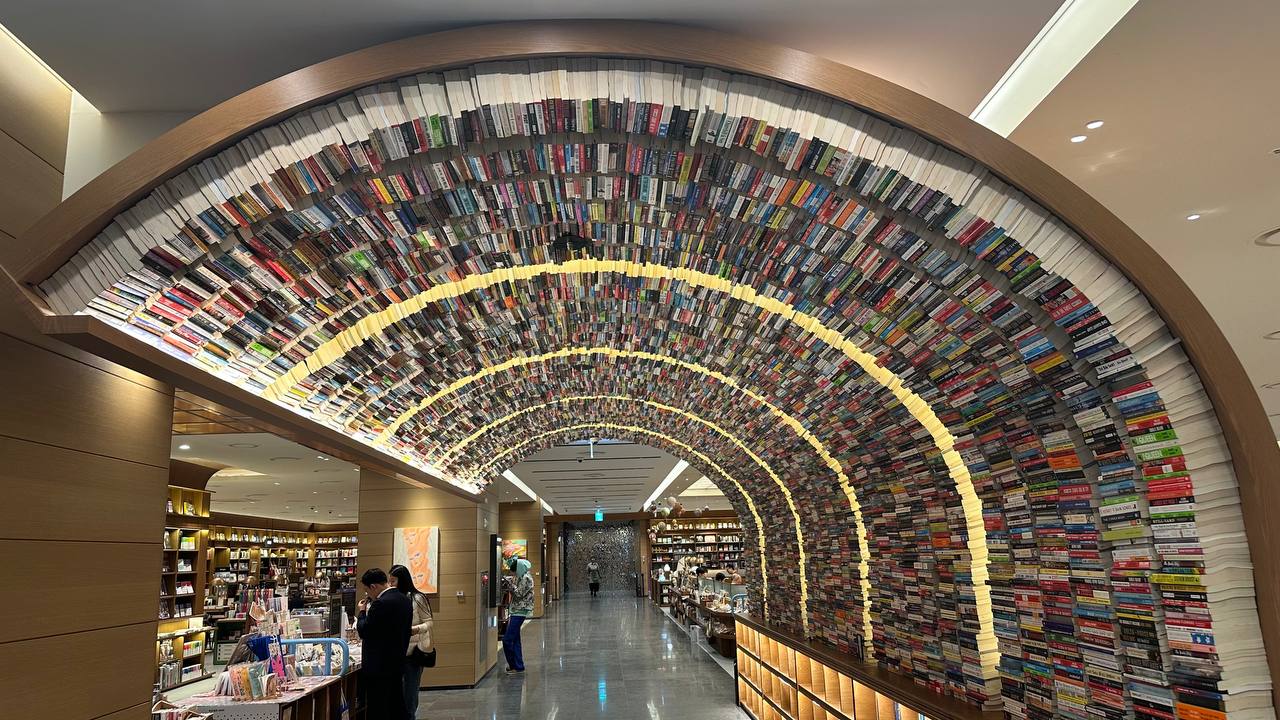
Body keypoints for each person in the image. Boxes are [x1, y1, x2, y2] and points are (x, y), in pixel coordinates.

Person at [356, 568, 413, 720]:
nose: (368, 594)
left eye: (367, 590)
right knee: (396, 705)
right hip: (397, 661)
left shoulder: (380, 603)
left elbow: (364, 630)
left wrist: (362, 612)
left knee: (379, 708)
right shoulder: (404, 599)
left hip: (378, 667)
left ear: (373, 586)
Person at [389, 564, 434, 719]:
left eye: (393, 581)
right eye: (389, 581)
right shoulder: (390, 599)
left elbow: (429, 622)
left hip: (413, 653)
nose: (390, 584)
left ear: (402, 580)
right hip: (395, 653)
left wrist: (415, 629)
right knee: (397, 696)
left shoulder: (417, 598)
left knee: (410, 694)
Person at [502, 557, 533, 674]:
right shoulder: (522, 577)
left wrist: (510, 584)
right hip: (517, 610)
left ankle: (513, 665)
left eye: (514, 571)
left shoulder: (525, 578)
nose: (514, 573)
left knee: (507, 639)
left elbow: (519, 594)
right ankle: (519, 666)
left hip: (520, 611)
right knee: (515, 639)